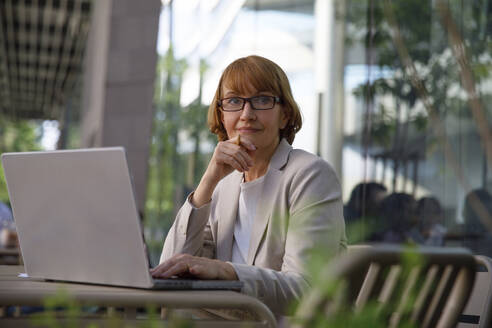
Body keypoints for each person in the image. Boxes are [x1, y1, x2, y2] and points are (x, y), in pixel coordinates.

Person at [150, 55, 347, 315]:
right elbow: (170, 269)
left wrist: (227, 271)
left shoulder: (310, 175)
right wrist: (208, 181)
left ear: (285, 115)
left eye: (262, 100)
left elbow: (307, 290)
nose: (247, 114)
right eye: (234, 101)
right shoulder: (223, 186)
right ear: (222, 115)